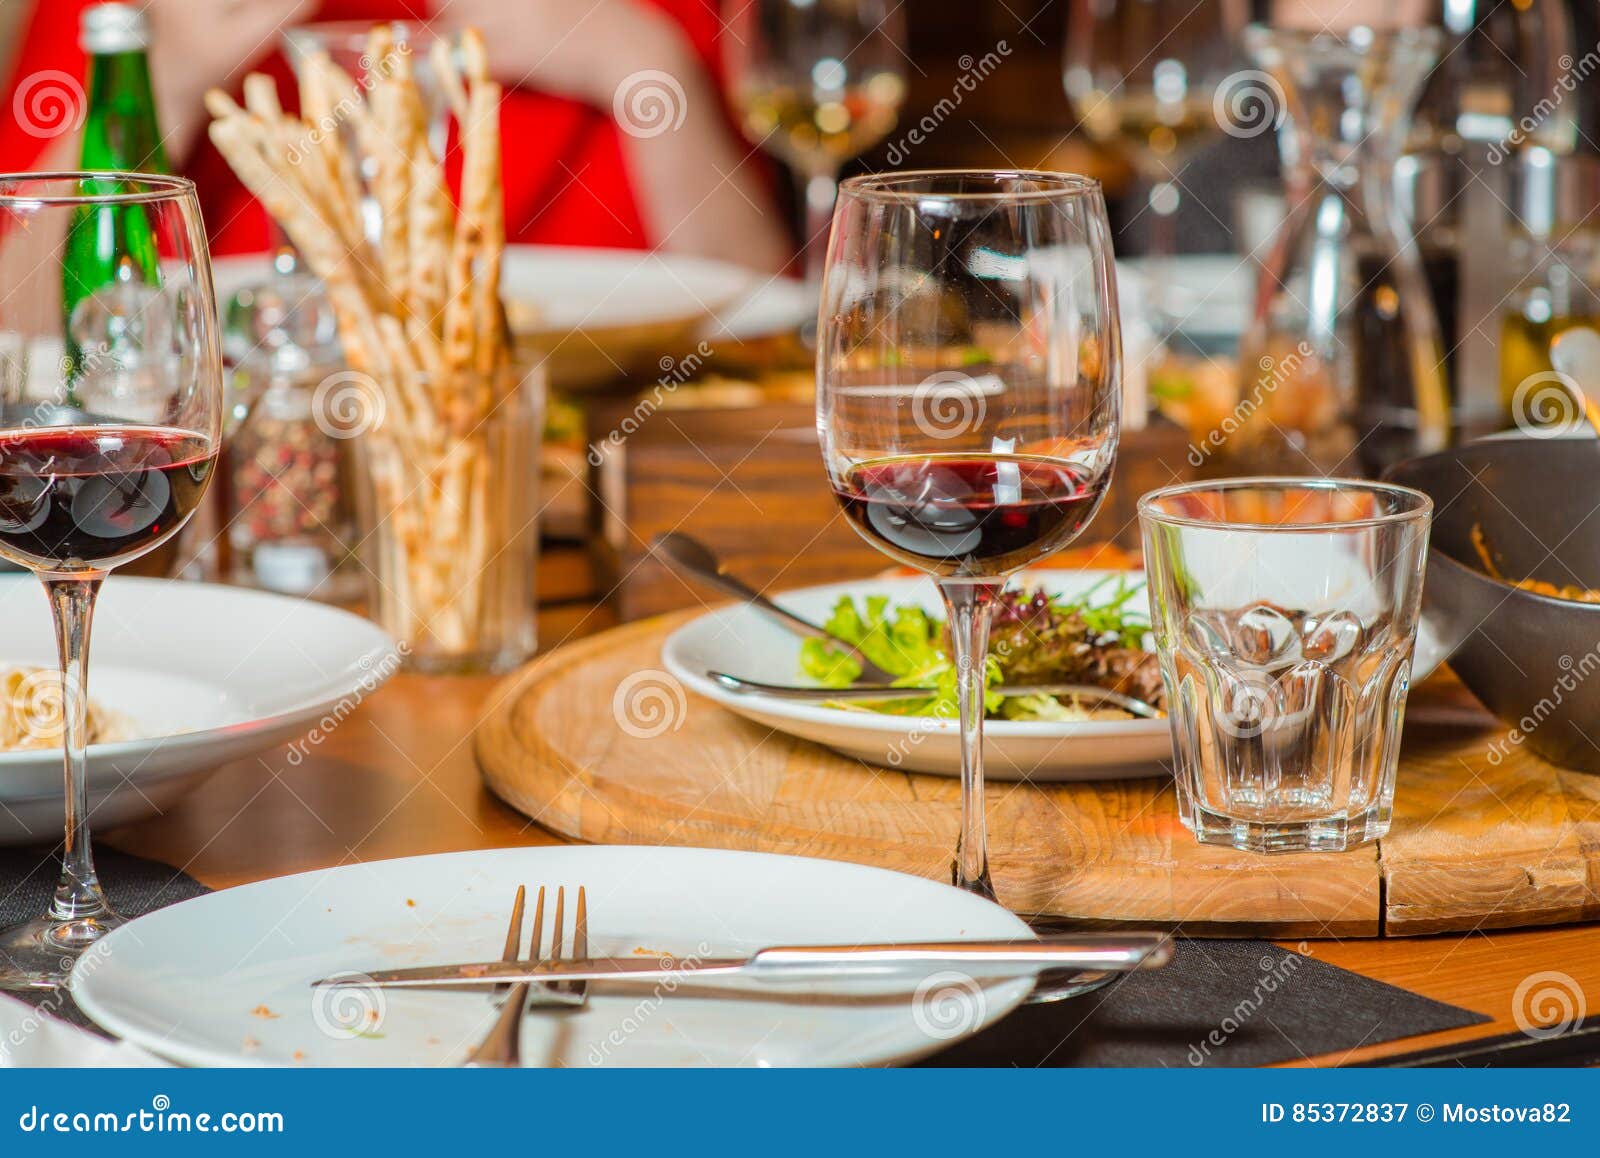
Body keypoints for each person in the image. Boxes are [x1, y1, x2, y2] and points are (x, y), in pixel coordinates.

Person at [0, 0, 790, 271]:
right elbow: (21, 337)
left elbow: (759, 310)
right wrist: (162, 78)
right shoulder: (145, 18)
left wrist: (640, 61)